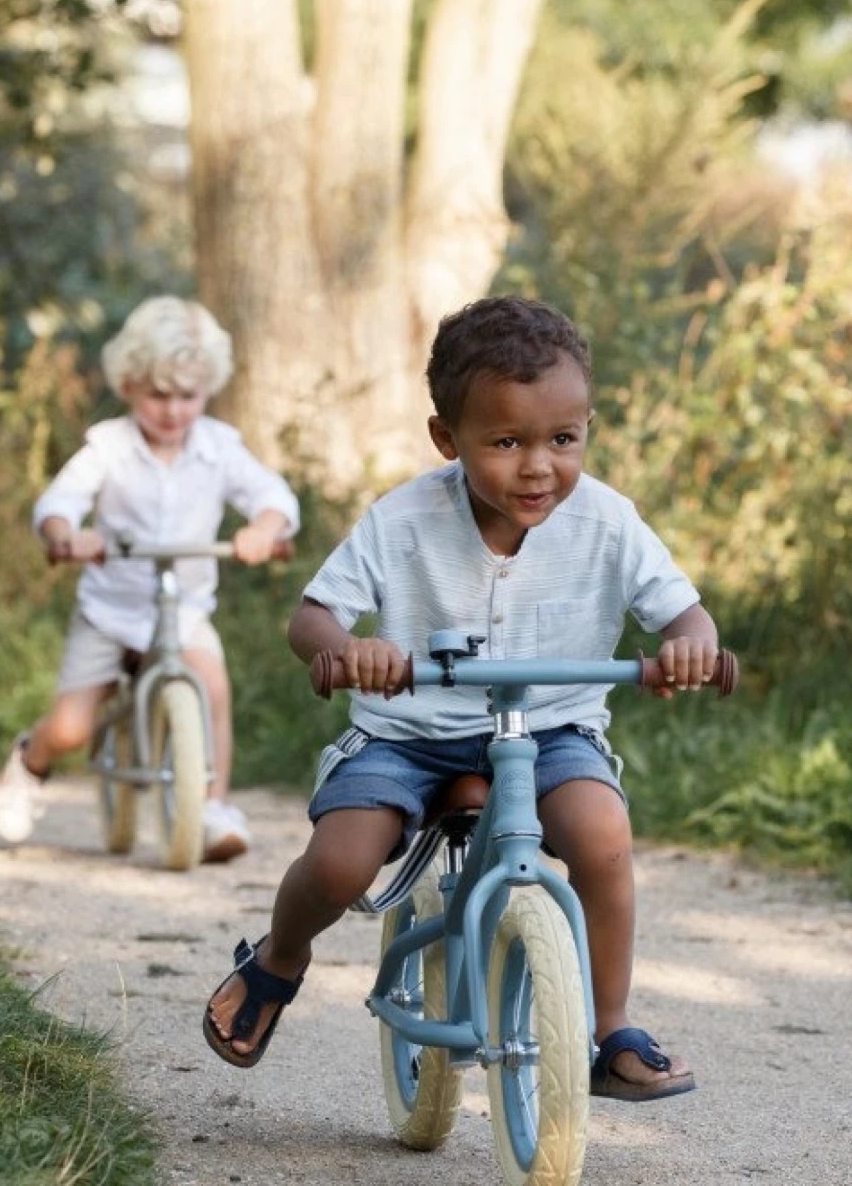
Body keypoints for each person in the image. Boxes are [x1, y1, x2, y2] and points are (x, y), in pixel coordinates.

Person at [202, 294, 720, 1100]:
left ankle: (610, 1025)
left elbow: (683, 611)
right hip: (410, 732)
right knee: (341, 861)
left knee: (604, 835)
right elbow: (312, 617)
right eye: (507, 441)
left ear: (587, 425)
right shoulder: (405, 517)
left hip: (550, 727)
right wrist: (351, 651)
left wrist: (692, 643)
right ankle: (279, 956)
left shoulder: (608, 522)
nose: (538, 466)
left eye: (563, 439)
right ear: (449, 438)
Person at [0, 295, 301, 863]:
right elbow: (60, 500)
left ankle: (210, 807)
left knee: (211, 689)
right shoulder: (108, 446)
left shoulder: (218, 447)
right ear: (129, 385)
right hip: (109, 609)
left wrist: (265, 526)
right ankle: (31, 760)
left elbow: (271, 494)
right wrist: (68, 535)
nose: (173, 410)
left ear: (207, 390)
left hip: (181, 609)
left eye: (188, 395)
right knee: (71, 727)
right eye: (158, 394)